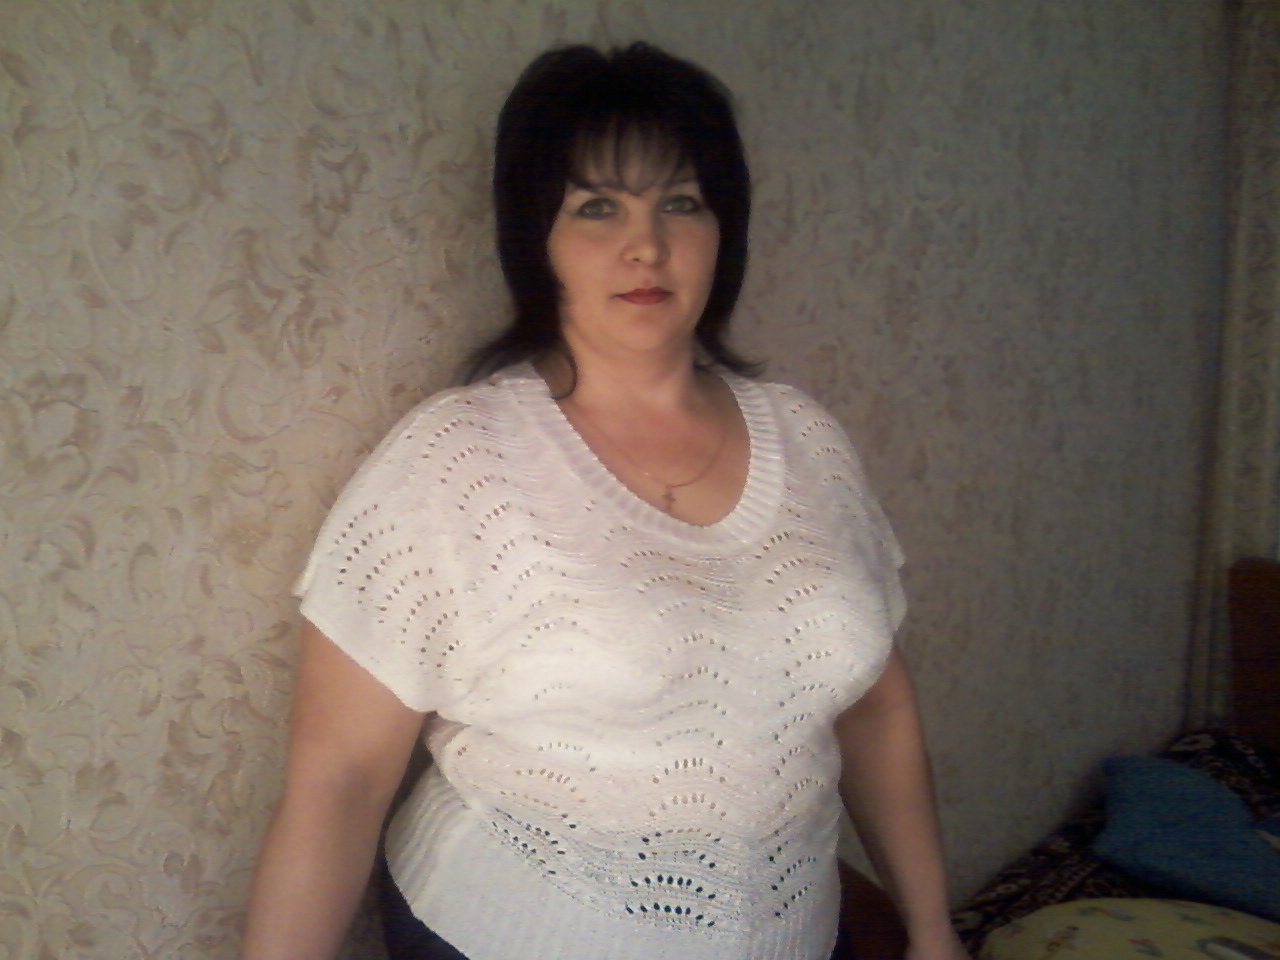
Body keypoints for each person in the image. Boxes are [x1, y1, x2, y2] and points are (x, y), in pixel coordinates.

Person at [241, 42, 968, 960]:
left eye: (682, 203)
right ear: (535, 238)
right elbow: (338, 779)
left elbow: (874, 708)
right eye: (596, 207)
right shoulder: (457, 460)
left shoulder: (808, 439)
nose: (646, 245)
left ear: (724, 229)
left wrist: (932, 928)